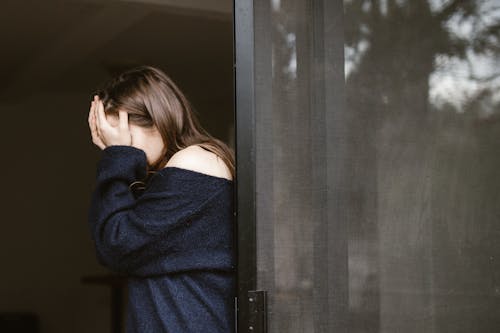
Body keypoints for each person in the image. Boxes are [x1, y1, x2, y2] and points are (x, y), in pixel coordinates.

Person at [86, 65, 236, 332]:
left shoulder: (197, 161)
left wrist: (117, 156)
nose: (120, 148)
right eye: (111, 142)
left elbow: (116, 245)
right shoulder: (168, 177)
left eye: (123, 137)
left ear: (157, 118)